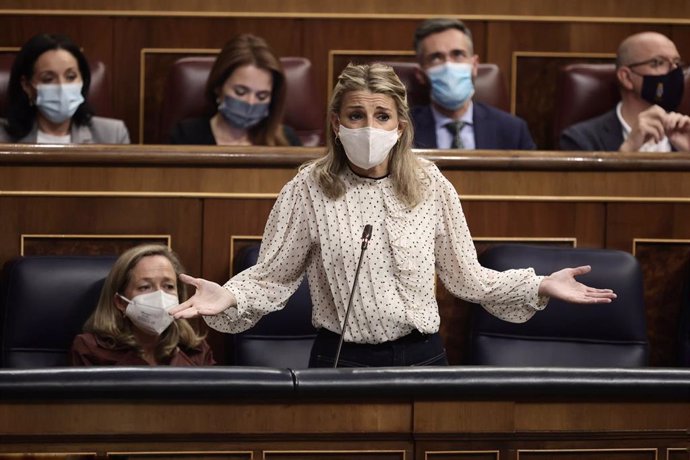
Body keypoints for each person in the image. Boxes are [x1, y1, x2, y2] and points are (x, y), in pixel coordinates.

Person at [170, 63, 615, 368]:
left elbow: (467, 277)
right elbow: (272, 277)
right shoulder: (309, 187)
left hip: (422, 358)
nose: (368, 126)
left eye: (381, 116)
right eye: (355, 115)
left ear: (399, 125)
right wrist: (228, 296)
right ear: (335, 123)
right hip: (339, 359)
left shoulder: (430, 184)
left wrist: (539, 284)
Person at [70, 244, 215, 366]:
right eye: (145, 287)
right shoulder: (90, 349)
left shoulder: (196, 350)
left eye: (169, 286)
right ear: (120, 302)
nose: (160, 296)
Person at [410, 18, 535, 150]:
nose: (448, 65)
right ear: (420, 74)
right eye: (436, 57)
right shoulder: (403, 129)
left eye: (458, 54)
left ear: (474, 65)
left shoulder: (513, 130)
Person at [560, 31, 690, 152]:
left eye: (676, 62)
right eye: (658, 62)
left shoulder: (685, 132)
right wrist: (628, 150)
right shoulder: (580, 140)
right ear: (626, 77)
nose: (673, 71)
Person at [170, 34, 301, 146]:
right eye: (240, 92)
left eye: (262, 96)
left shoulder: (287, 141)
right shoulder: (186, 136)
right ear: (218, 87)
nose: (250, 102)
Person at [0, 33, 130, 144]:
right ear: (27, 86)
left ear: (83, 80)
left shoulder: (113, 135)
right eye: (48, 79)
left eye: (71, 76)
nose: (62, 87)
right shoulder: (3, 137)